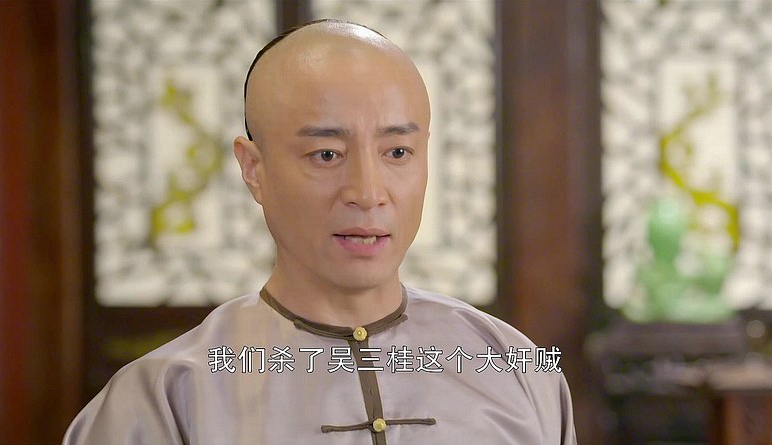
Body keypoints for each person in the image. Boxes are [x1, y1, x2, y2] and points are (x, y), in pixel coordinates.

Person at [63, 19, 577, 444]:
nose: (367, 192)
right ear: (253, 169)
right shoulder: (165, 399)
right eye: (326, 154)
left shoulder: (517, 371)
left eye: (397, 152)